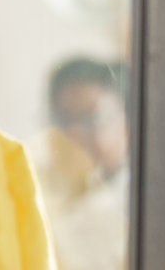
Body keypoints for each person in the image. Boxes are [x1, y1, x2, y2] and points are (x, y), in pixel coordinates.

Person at [37, 57, 129, 270]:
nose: (73, 133)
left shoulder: (140, 206)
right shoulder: (33, 191)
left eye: (91, 119)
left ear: (127, 125)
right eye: (62, 120)